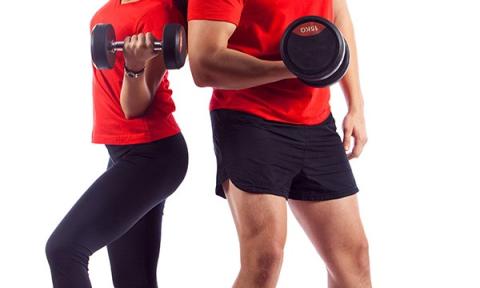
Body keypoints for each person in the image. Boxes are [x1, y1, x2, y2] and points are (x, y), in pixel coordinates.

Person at [187, 0, 371, 287]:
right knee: (264, 258)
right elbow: (204, 63)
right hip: (249, 119)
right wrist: (291, 68)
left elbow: (338, 14)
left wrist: (356, 104)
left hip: (316, 121)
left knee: (354, 259)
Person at [45, 0, 188, 287]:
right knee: (133, 281)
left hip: (153, 155)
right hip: (124, 154)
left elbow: (134, 107)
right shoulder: (107, 10)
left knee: (65, 249)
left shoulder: (159, 11)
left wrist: (134, 66)